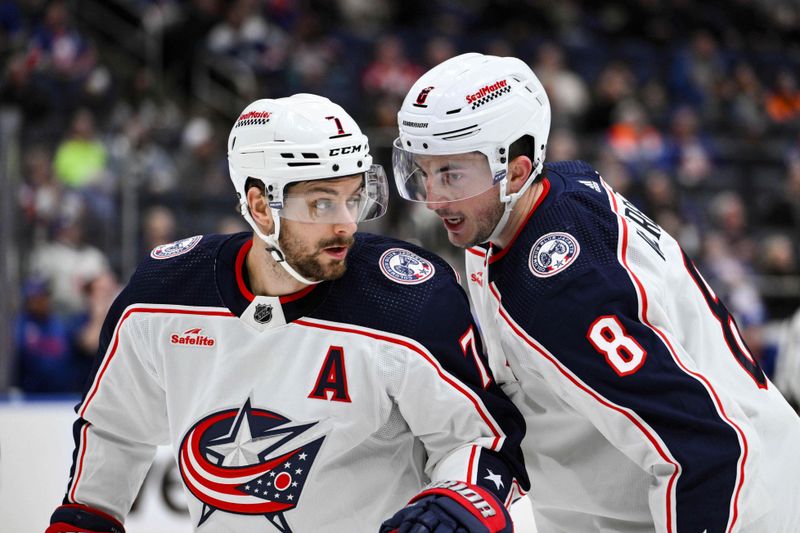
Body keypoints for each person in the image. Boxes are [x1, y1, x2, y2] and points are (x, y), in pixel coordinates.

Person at [46, 94, 527, 533]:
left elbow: (481, 440)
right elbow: (114, 427)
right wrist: (87, 515)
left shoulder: (405, 299)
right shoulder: (163, 295)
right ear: (259, 207)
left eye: (353, 197)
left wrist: (459, 503)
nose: (345, 223)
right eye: (321, 202)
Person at [393, 53, 800, 532]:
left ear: (518, 172)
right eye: (424, 172)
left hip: (737, 508)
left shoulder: (563, 284)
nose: (436, 197)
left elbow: (707, 449)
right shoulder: (522, 208)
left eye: (452, 174)